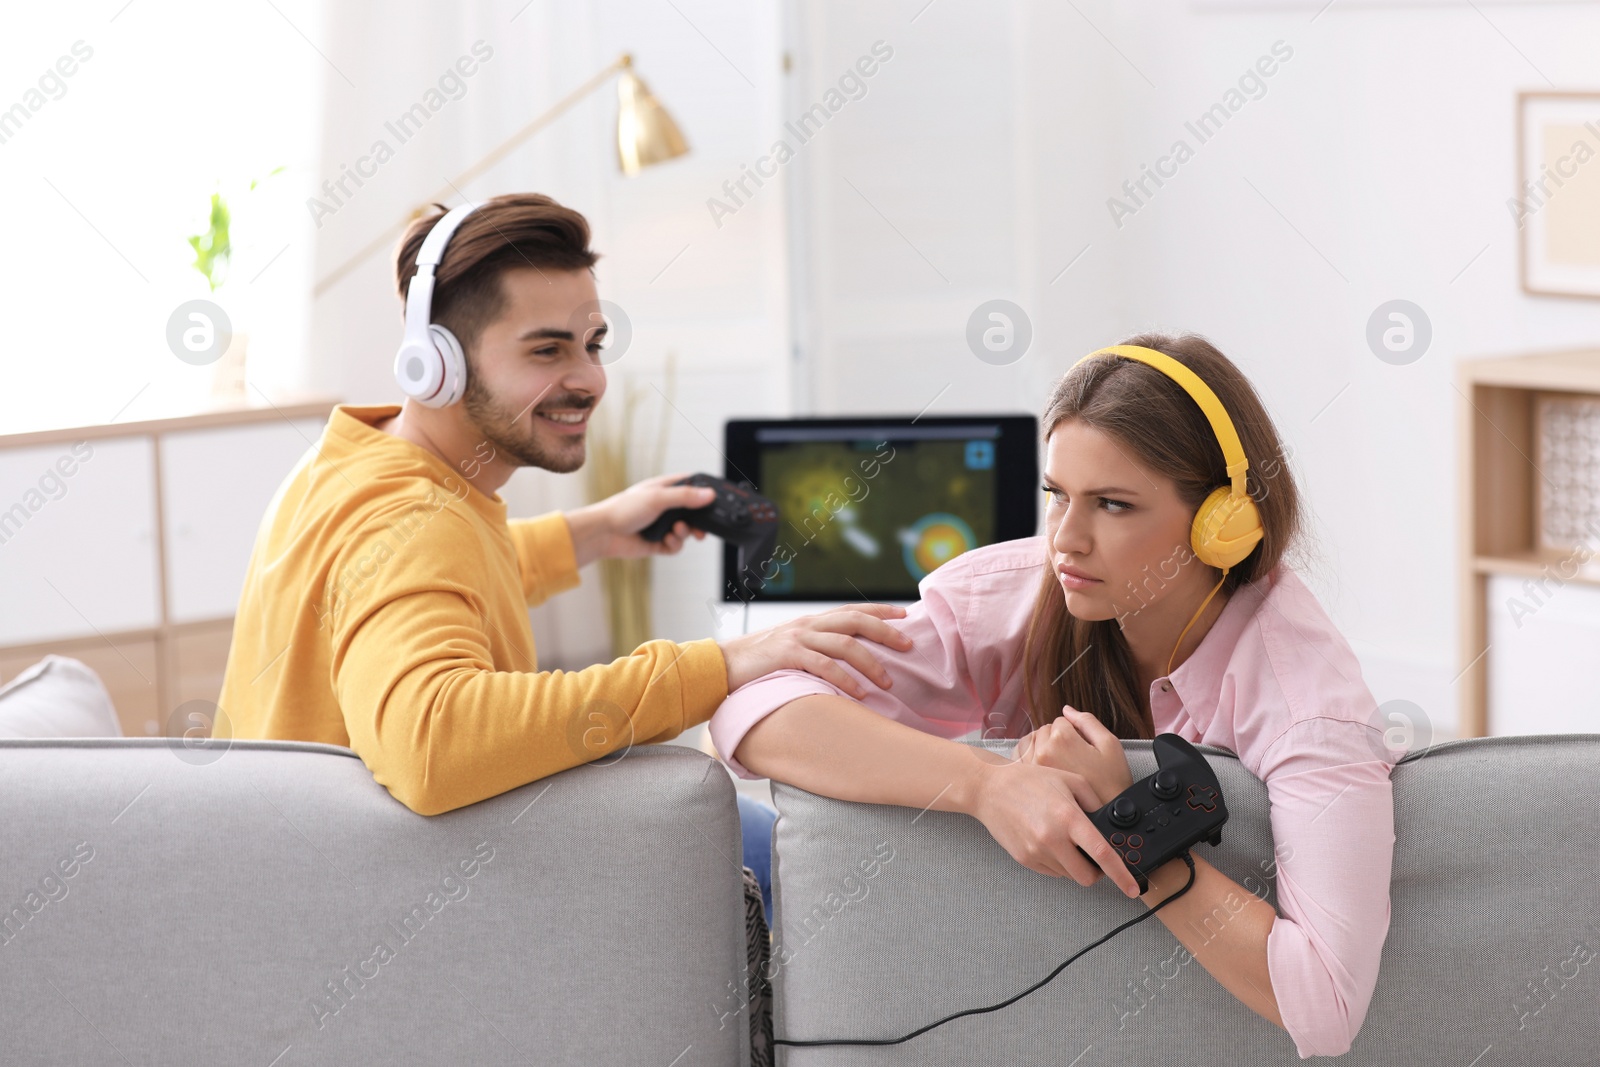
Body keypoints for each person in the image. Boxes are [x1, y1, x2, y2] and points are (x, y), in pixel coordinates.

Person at [218, 193, 915, 922]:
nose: (588, 379)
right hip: (369, 909)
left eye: (593, 344)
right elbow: (431, 742)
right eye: (547, 350)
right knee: (797, 856)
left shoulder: (357, 465)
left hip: (292, 870)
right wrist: (722, 665)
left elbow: (437, 582)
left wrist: (597, 530)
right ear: (438, 366)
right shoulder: (414, 519)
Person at [709, 333, 1398, 1059]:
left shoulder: (1310, 707)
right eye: (1057, 495)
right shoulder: (1018, 593)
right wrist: (986, 783)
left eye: (1112, 504)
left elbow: (1326, 1005)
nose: (1065, 539)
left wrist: (1138, 833)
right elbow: (749, 706)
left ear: (1221, 524)